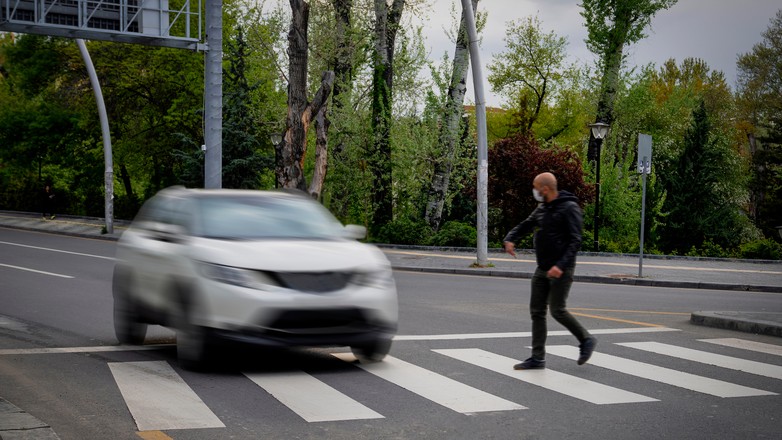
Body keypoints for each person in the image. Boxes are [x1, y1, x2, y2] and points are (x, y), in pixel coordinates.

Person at [503, 172, 596, 370]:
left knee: (557, 310)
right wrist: (511, 238)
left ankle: (586, 339)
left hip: (561, 269)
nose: (534, 191)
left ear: (545, 189)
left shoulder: (570, 208)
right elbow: (526, 224)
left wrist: (560, 266)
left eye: (536, 187)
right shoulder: (542, 208)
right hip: (542, 268)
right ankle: (537, 358)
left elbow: (575, 240)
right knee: (537, 312)